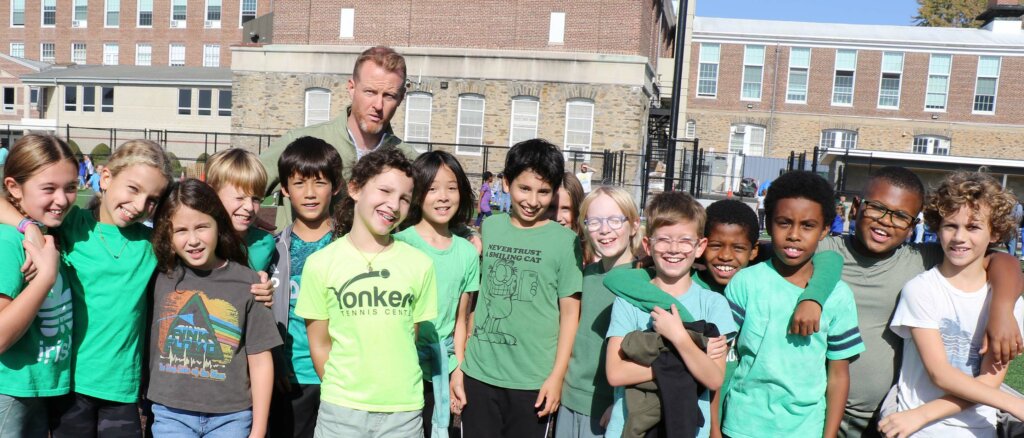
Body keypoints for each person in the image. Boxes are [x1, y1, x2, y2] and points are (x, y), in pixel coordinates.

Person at [811, 167, 1024, 438]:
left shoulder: (919, 257)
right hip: (836, 408)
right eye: (877, 208)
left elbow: (1003, 260)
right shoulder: (828, 253)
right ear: (856, 207)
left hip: (909, 418)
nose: (886, 221)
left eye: (901, 216)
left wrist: (1002, 309)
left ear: (914, 226)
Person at [0, 139, 173, 437]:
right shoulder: (67, 225)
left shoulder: (151, 244)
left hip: (120, 388)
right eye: (133, 189)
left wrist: (254, 280)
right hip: (67, 385)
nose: (140, 205)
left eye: (152, 199)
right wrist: (26, 226)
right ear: (105, 178)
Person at [296, 149, 438, 437]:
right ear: (355, 188)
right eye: (385, 190)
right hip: (340, 413)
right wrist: (344, 393)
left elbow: (409, 334)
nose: (393, 205)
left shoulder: (420, 264)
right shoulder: (320, 264)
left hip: (403, 413)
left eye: (404, 198)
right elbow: (320, 344)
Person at [877, 171, 1024, 437]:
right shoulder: (921, 289)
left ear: (995, 232)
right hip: (916, 427)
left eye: (973, 227)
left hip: (978, 428)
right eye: (950, 225)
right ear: (937, 227)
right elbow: (940, 374)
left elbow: (990, 381)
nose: (959, 237)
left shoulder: (1012, 305)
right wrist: (1017, 404)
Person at [455, 139, 583, 437]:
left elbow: (569, 316)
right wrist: (461, 366)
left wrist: (556, 377)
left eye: (543, 192)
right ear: (506, 182)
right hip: (479, 374)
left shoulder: (566, 242)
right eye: (524, 189)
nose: (532, 200)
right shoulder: (491, 227)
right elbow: (475, 300)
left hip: (533, 382)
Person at [723, 171, 865, 438]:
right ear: (769, 223)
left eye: (808, 226)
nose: (794, 235)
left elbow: (838, 375)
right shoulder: (746, 283)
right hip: (742, 425)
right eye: (784, 223)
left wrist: (829, 434)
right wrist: (715, 429)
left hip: (806, 429)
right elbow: (722, 358)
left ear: (825, 229)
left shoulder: (838, 296)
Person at [146, 179, 281, 438]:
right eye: (181, 230)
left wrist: (259, 429)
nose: (193, 240)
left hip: (232, 417)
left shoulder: (249, 283)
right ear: (167, 234)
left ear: (219, 225)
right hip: (171, 414)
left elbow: (261, 361)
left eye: (202, 227)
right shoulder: (157, 275)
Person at [604, 191, 735, 438]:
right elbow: (616, 372)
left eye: (685, 240)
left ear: (700, 247)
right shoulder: (628, 301)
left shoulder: (714, 305)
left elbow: (714, 378)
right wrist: (692, 359)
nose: (674, 249)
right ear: (647, 244)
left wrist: (679, 338)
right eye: (663, 239)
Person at [260, 46, 420, 232]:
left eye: (389, 96)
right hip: (298, 259)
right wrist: (248, 227)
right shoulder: (299, 143)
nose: (378, 105)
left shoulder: (409, 160)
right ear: (351, 88)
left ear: (401, 98)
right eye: (370, 92)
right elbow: (235, 186)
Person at [394, 151, 480, 438]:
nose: (443, 197)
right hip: (402, 366)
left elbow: (461, 320)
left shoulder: (467, 252)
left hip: (443, 368)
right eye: (432, 188)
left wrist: (458, 371)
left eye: (451, 188)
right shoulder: (399, 244)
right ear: (417, 194)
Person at [266, 137, 344, 438]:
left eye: (320, 183)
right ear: (285, 188)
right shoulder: (270, 250)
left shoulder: (348, 248)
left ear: (335, 187)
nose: (310, 194)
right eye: (299, 184)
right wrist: (273, 359)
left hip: (338, 380)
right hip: (288, 378)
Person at [0, 135, 77, 437]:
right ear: (14, 188)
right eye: (49, 188)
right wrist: (44, 278)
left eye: (70, 187)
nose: (62, 199)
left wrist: (29, 225)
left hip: (37, 387)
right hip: (9, 390)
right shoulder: (8, 244)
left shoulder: (53, 230)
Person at [557, 186, 642, 438]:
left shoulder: (643, 281)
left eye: (615, 220)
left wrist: (622, 401)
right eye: (594, 221)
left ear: (634, 225)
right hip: (568, 399)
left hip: (608, 408)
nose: (604, 230)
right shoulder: (587, 276)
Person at [205, 148, 276, 273]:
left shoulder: (264, 244)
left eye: (255, 199)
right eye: (239, 197)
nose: (249, 207)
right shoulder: (199, 239)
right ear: (212, 194)